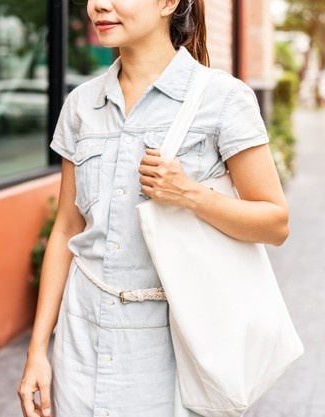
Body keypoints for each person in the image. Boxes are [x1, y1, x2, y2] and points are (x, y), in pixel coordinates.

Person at [17, 0, 290, 416]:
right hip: (81, 340)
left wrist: (189, 194)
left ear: (168, 3)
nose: (98, 6)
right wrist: (38, 350)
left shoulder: (223, 99)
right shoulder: (81, 105)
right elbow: (66, 229)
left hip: (176, 344)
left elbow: (275, 222)